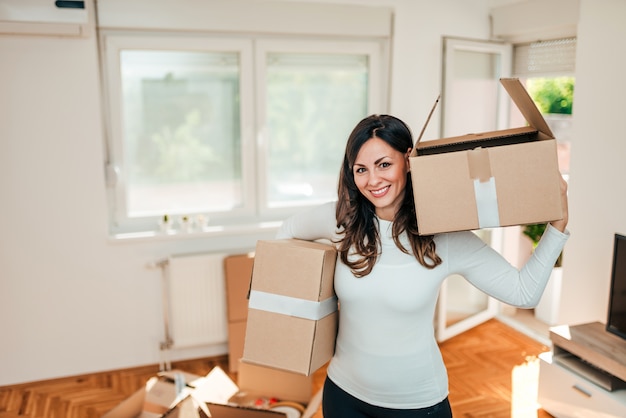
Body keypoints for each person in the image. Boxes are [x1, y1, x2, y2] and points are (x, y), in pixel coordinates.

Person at [276, 114, 569, 418]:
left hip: (416, 405)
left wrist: (557, 226)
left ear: (409, 160)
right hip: (343, 395)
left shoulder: (444, 236)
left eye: (384, 164)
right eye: (361, 169)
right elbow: (285, 233)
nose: (372, 180)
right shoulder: (341, 222)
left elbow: (523, 293)